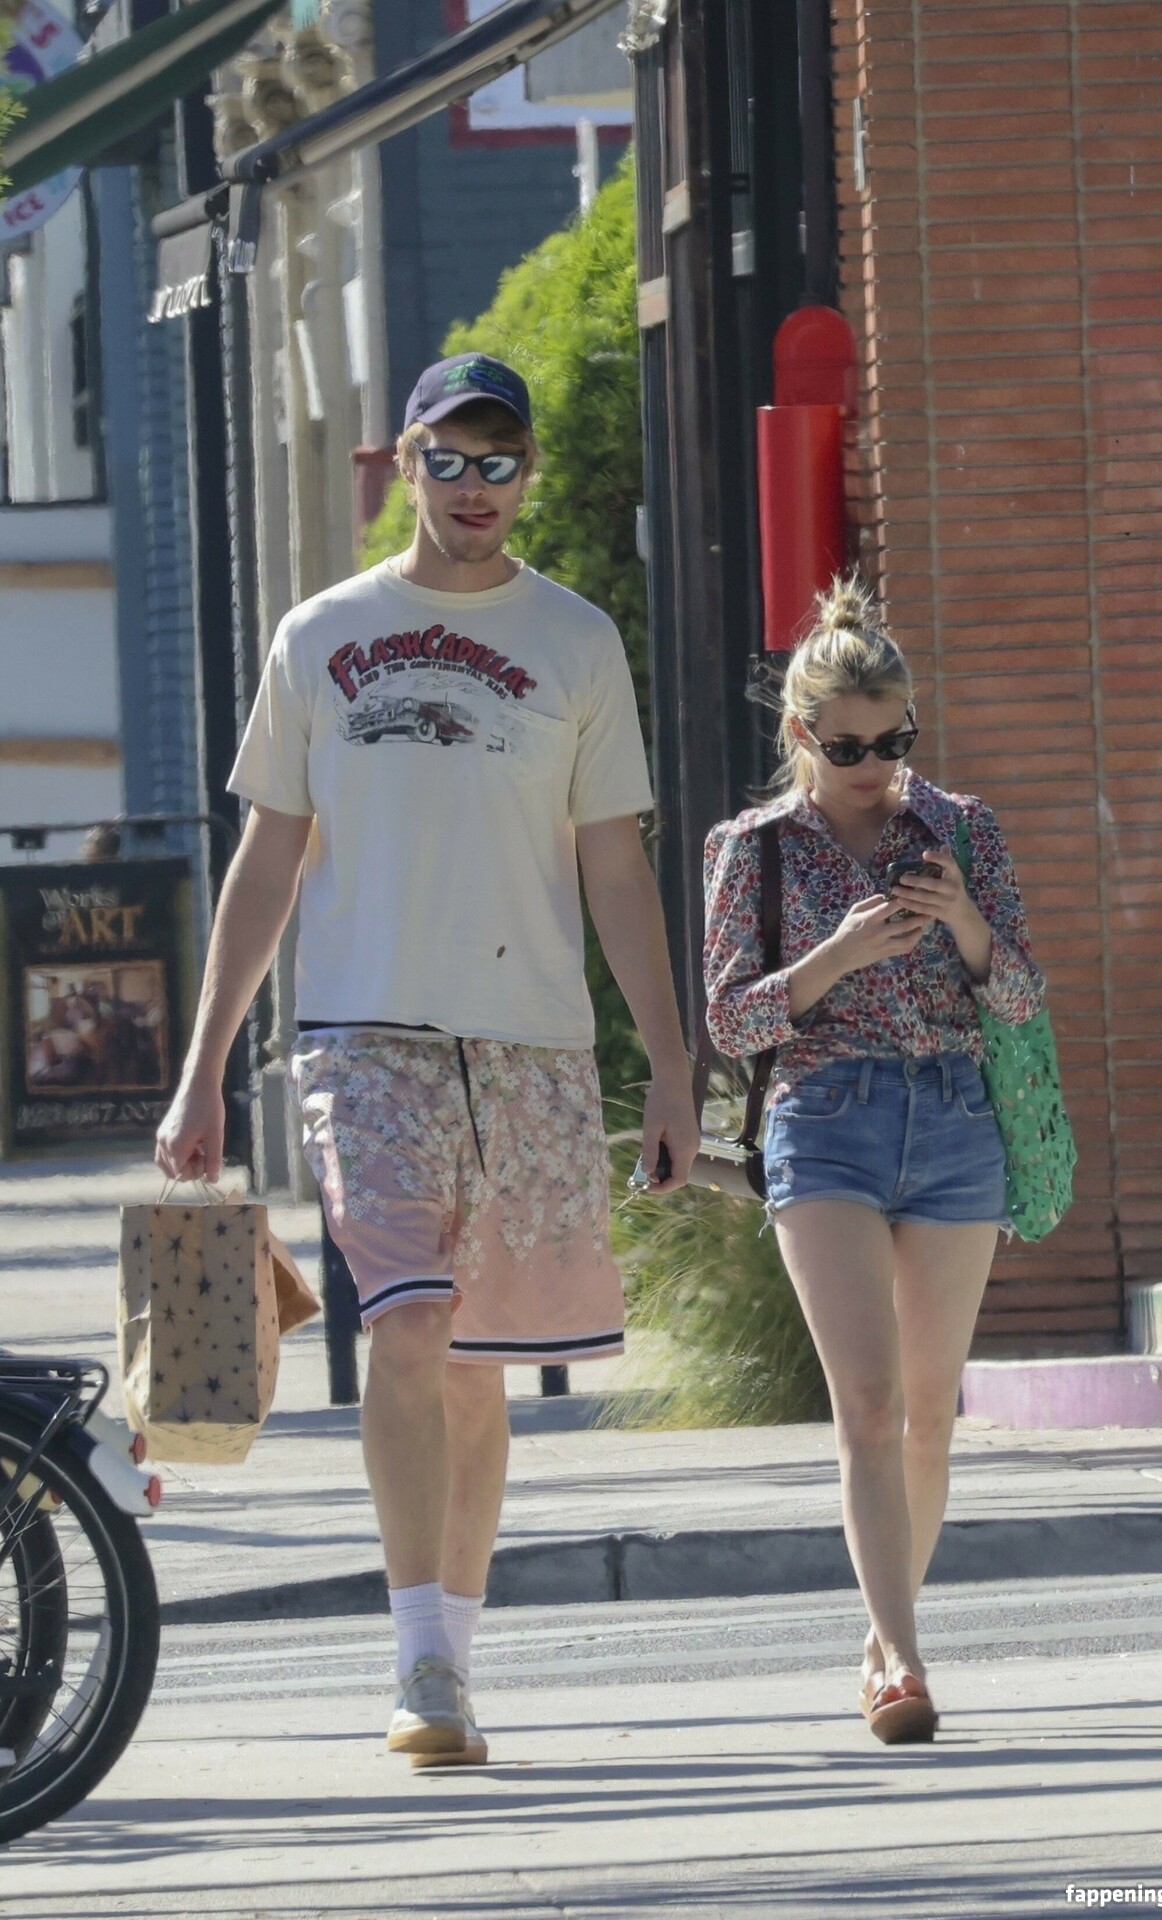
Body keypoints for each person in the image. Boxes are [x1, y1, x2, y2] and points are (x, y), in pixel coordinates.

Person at [156, 352, 699, 1768]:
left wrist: (672, 1063)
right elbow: (266, 862)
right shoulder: (320, 636)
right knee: (405, 1327)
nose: (474, 487)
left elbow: (616, 868)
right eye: (447, 460)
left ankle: (453, 1647)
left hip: (531, 1046)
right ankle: (417, 1664)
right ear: (404, 465)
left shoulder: (576, 640)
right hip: (363, 1038)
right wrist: (204, 1067)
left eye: (497, 461)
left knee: (475, 1363)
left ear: (526, 474)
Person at [702, 575, 1044, 1745]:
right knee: (869, 1402)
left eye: (892, 741)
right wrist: (834, 957)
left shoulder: (961, 829)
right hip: (825, 1122)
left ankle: (880, 1627)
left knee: (928, 1417)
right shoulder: (751, 850)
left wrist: (964, 923)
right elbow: (730, 1020)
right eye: (845, 746)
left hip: (952, 1120)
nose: (872, 765)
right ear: (800, 734)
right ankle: (899, 1661)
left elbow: (1021, 995)